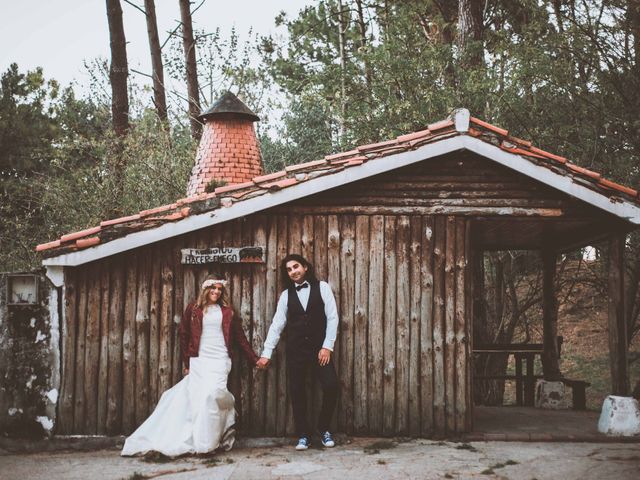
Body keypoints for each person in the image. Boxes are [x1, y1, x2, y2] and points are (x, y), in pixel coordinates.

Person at [122, 276, 258, 457]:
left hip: (220, 359)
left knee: (214, 394)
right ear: (205, 290)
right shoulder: (193, 309)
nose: (216, 292)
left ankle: (212, 437)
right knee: (201, 401)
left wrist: (254, 359)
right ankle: (205, 445)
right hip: (199, 360)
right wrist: (187, 363)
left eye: (219, 289)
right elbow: (184, 335)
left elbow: (240, 338)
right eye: (213, 289)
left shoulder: (227, 311)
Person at [256, 254, 339, 450]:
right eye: (289, 269)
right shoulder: (286, 296)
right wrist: (266, 353)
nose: (293, 271)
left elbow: (333, 318)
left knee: (331, 386)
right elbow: (277, 325)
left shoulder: (323, 287)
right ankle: (303, 434)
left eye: (296, 267)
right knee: (297, 392)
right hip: (296, 351)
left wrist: (327, 346)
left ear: (305, 267)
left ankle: (323, 428)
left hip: (320, 350)